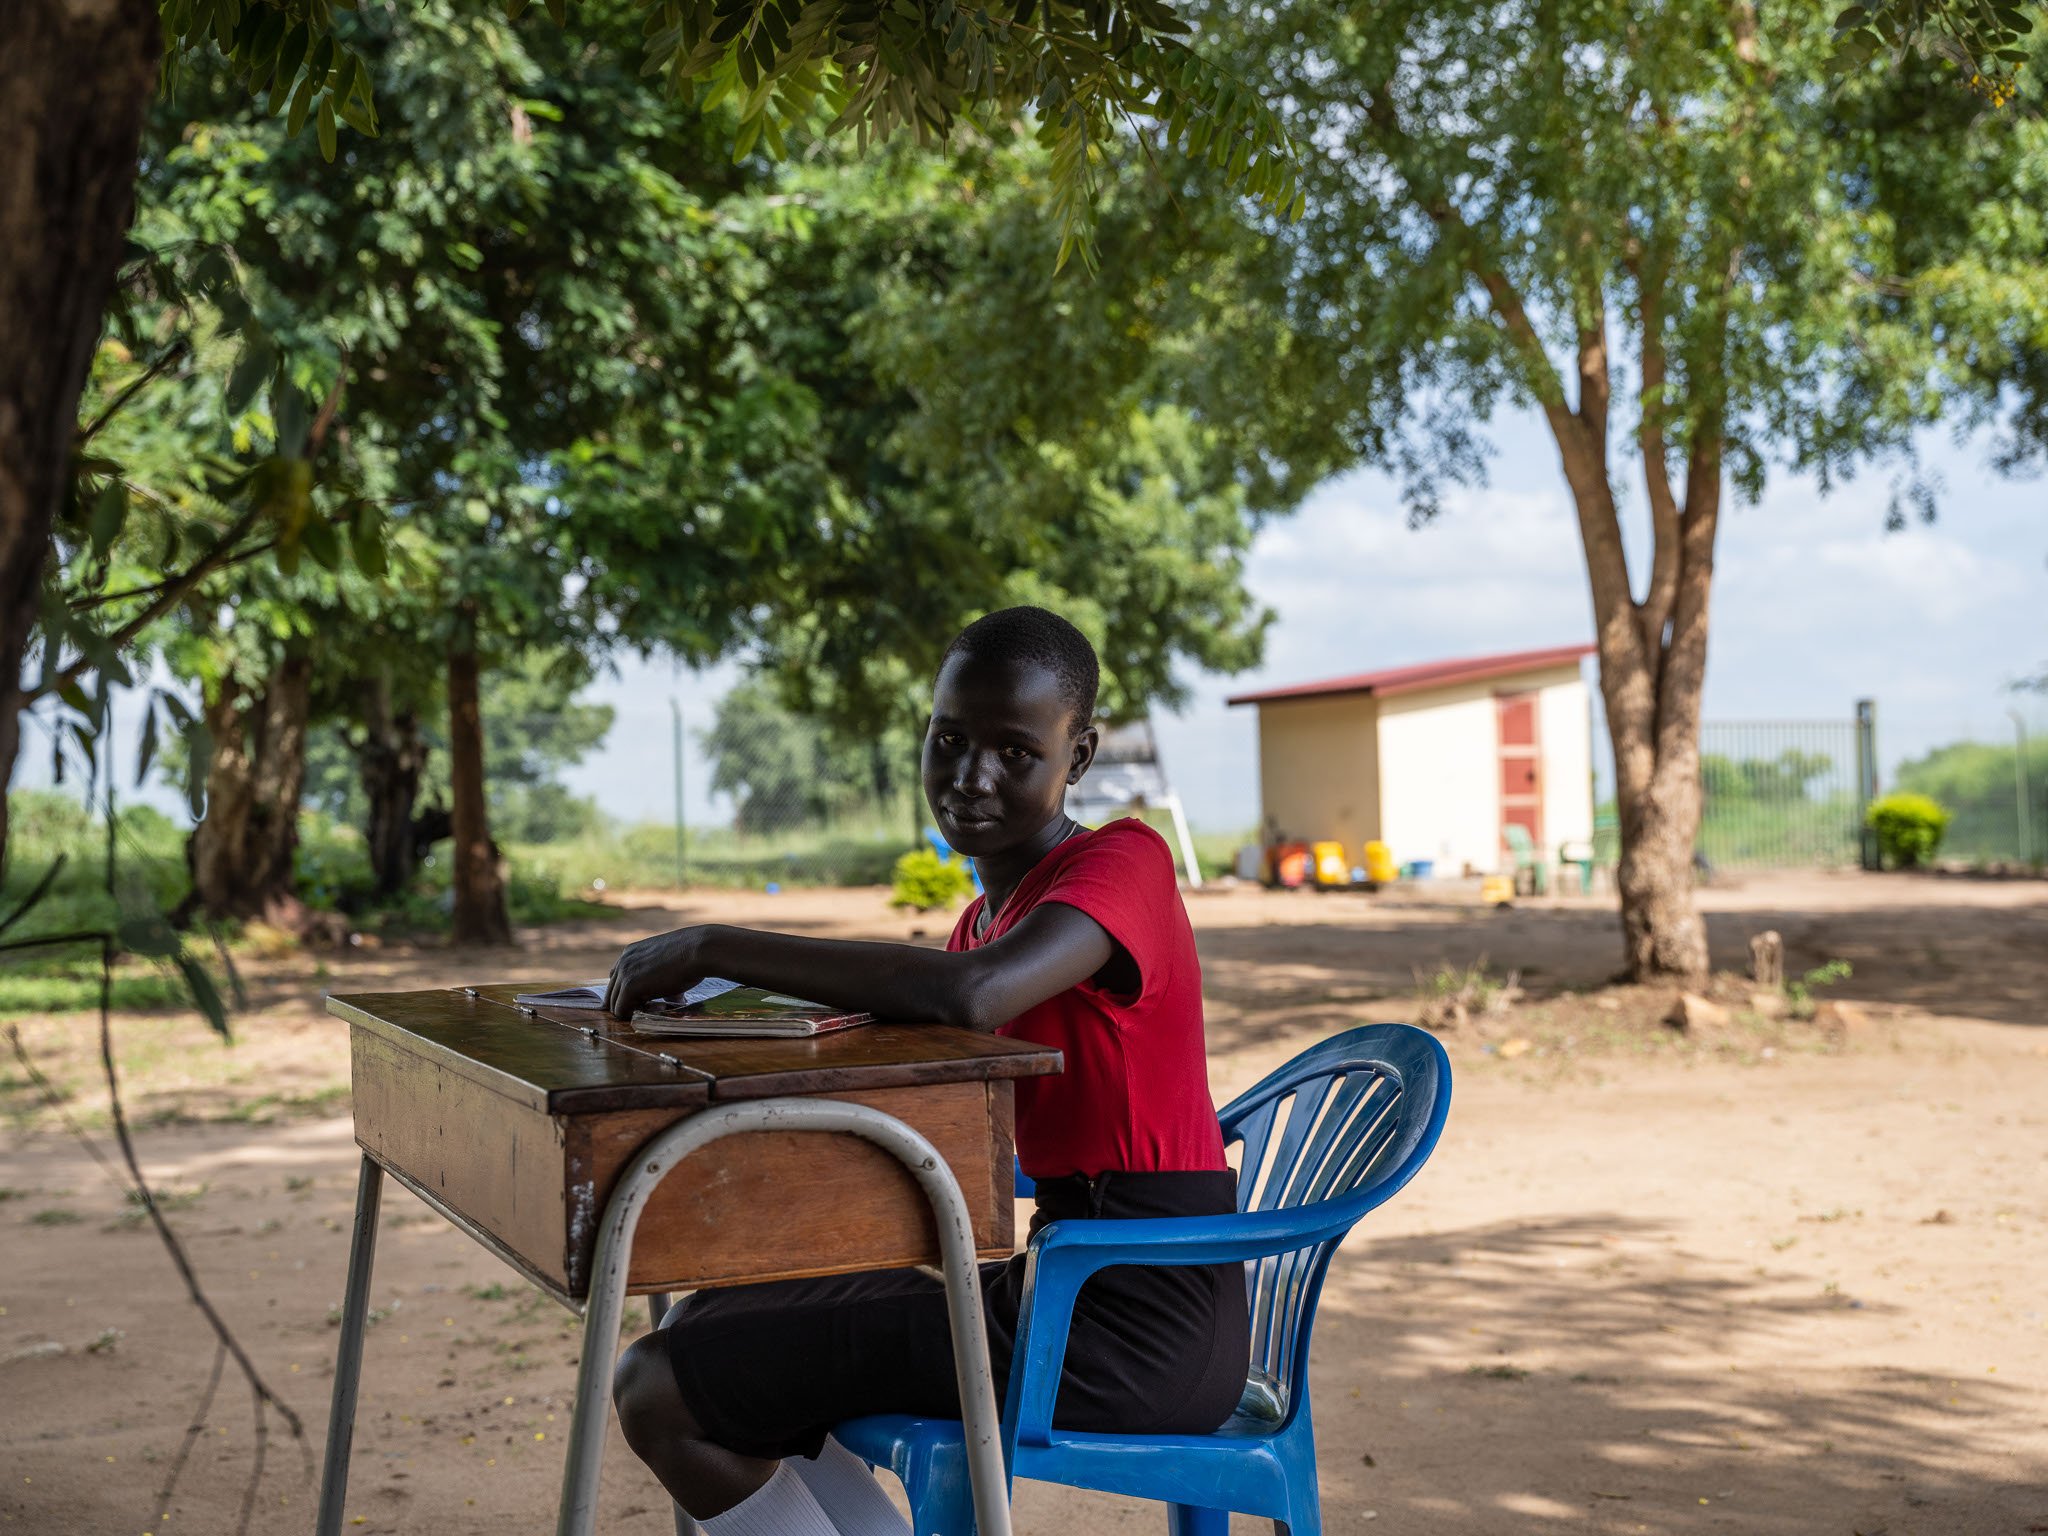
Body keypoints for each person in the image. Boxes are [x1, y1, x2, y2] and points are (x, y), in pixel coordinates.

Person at [605, 606, 1246, 1536]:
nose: (971, 777)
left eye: (1015, 753)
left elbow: (971, 995)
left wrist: (716, 945)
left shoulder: (1123, 864)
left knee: (656, 1388)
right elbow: (925, 1051)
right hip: (1058, 1285)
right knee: (706, 1327)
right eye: (949, 739)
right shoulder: (985, 922)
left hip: (1134, 1323)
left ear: (1081, 755)